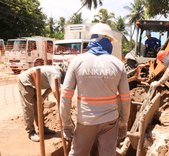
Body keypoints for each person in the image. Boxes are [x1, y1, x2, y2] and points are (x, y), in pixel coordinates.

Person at [60, 23, 131, 156]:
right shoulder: (118, 64)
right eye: (110, 40)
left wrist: (67, 123)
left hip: (86, 120)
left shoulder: (77, 62)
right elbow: (125, 98)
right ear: (105, 40)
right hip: (110, 121)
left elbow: (66, 96)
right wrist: (123, 122)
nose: (111, 44)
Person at [17, 64, 67, 142]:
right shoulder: (55, 74)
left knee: (39, 106)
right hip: (26, 80)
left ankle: (42, 128)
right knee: (28, 107)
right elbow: (56, 91)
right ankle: (31, 132)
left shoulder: (56, 74)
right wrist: (62, 105)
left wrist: (43, 97)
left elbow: (52, 87)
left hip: (34, 81)